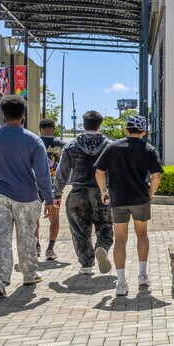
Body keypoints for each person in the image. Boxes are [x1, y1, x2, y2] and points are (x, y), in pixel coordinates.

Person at [0, 95, 55, 299]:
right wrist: (49, 199)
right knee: (27, 237)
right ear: (23, 115)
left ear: (3, 114)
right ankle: (29, 274)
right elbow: (43, 174)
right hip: (26, 196)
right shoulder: (33, 140)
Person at [94, 115, 163, 297]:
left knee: (120, 239)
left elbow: (99, 172)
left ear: (126, 130)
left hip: (118, 199)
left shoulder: (112, 147)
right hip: (140, 198)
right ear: (144, 132)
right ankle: (142, 275)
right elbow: (156, 175)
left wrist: (103, 191)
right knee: (142, 235)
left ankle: (122, 282)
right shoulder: (149, 149)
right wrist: (151, 192)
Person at [55, 110, 113, 276]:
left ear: (83, 125)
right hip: (102, 192)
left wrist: (57, 194)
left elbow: (62, 173)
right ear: (100, 125)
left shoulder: (71, 146)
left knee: (80, 230)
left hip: (77, 192)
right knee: (105, 225)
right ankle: (102, 246)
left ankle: (86, 265)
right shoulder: (109, 145)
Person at [37, 119, 66, 260]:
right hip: (55, 186)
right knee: (54, 219)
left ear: (40, 129)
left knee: (33, 218)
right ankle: (50, 248)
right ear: (53, 129)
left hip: (35, 185)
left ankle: (36, 245)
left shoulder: (34, 141)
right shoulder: (62, 145)